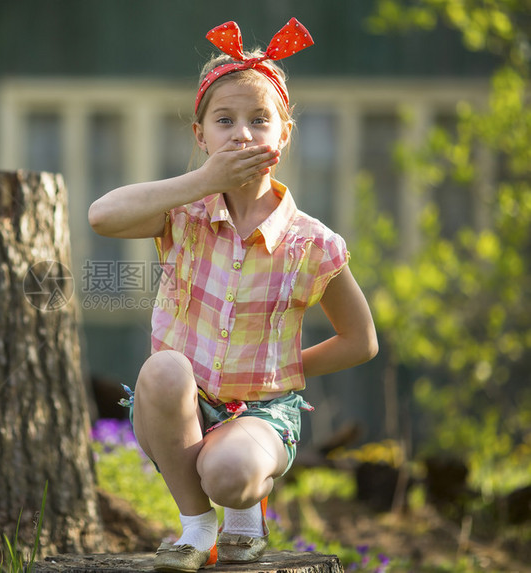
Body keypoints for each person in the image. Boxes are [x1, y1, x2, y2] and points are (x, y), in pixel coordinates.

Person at [88, 18, 378, 573]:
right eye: (225, 121)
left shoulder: (310, 243)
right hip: (180, 410)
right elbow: (102, 216)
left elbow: (359, 340)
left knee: (229, 475)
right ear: (201, 137)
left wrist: (284, 368)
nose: (242, 134)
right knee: (165, 369)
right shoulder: (184, 212)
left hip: (262, 413)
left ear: (283, 135)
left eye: (258, 120)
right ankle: (196, 530)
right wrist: (202, 180)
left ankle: (246, 516)